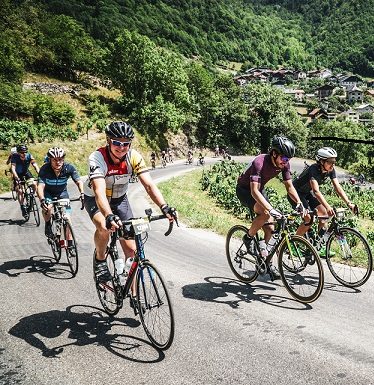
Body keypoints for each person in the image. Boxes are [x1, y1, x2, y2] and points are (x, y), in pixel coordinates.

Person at [83, 121, 176, 284]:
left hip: (120, 200)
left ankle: (134, 298)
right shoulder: (98, 158)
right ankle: (100, 260)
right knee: (104, 227)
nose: (121, 147)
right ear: (108, 141)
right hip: (96, 199)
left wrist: (164, 206)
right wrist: (109, 215)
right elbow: (99, 191)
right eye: (117, 143)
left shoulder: (133, 157)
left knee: (132, 252)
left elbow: (149, 185)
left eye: (126, 144)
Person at [236, 136, 305, 280]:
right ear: (274, 153)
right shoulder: (259, 162)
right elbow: (254, 191)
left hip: (260, 190)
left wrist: (299, 203)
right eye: (284, 159)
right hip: (245, 190)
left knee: (271, 229)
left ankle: (265, 261)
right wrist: (270, 209)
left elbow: (289, 186)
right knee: (266, 214)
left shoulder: (284, 164)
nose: (285, 163)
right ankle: (248, 238)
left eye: (288, 160)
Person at [288, 147, 357, 256]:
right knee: (309, 219)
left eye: (334, 162)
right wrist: (328, 206)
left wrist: (349, 203)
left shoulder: (330, 170)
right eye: (330, 162)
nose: (333, 165)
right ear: (321, 161)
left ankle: (319, 246)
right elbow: (316, 191)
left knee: (324, 216)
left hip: (307, 193)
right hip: (296, 194)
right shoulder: (313, 169)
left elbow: (337, 187)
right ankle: (293, 244)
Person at [37, 147, 84, 238]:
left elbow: (79, 181)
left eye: (60, 159)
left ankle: (70, 243)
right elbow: (40, 186)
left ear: (63, 159)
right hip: (48, 193)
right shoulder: (45, 169)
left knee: (68, 218)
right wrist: (42, 199)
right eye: (54, 160)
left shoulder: (69, 168)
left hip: (62, 193)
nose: (58, 162)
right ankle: (48, 224)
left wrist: (82, 193)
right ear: (50, 159)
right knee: (48, 208)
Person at [10, 144, 40, 219]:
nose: (24, 154)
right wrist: (16, 178)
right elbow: (13, 168)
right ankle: (23, 207)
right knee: (20, 191)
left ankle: (31, 198)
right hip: (17, 174)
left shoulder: (29, 156)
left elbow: (35, 165)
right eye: (22, 152)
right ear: (18, 152)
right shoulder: (15, 157)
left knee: (34, 184)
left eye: (25, 152)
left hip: (26, 173)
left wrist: (40, 174)